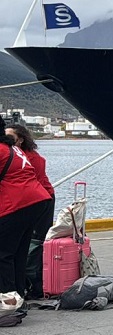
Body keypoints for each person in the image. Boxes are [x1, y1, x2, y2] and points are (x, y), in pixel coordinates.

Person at [0, 116, 52, 314]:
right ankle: (19, 297)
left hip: (18, 204)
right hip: (37, 201)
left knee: (3, 253)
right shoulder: (12, 149)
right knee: (19, 253)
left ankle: (8, 301)